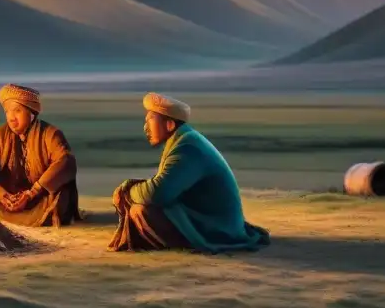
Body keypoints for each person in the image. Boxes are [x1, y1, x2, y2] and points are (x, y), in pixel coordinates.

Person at [108, 92, 270, 254]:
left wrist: (128, 192)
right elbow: (165, 185)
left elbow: (159, 193)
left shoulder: (186, 148)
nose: (145, 128)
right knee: (141, 206)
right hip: (208, 219)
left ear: (169, 125)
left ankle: (187, 243)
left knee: (141, 211)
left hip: (217, 228)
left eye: (150, 120)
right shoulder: (184, 140)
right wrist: (131, 187)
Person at [0, 84, 81, 227]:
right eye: (7, 111)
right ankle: (8, 210)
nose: (11, 118)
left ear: (31, 113)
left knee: (60, 194)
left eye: (17, 110)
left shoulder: (50, 134)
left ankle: (38, 216)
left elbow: (65, 161)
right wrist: (1, 194)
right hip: (10, 197)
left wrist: (31, 193)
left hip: (40, 199)